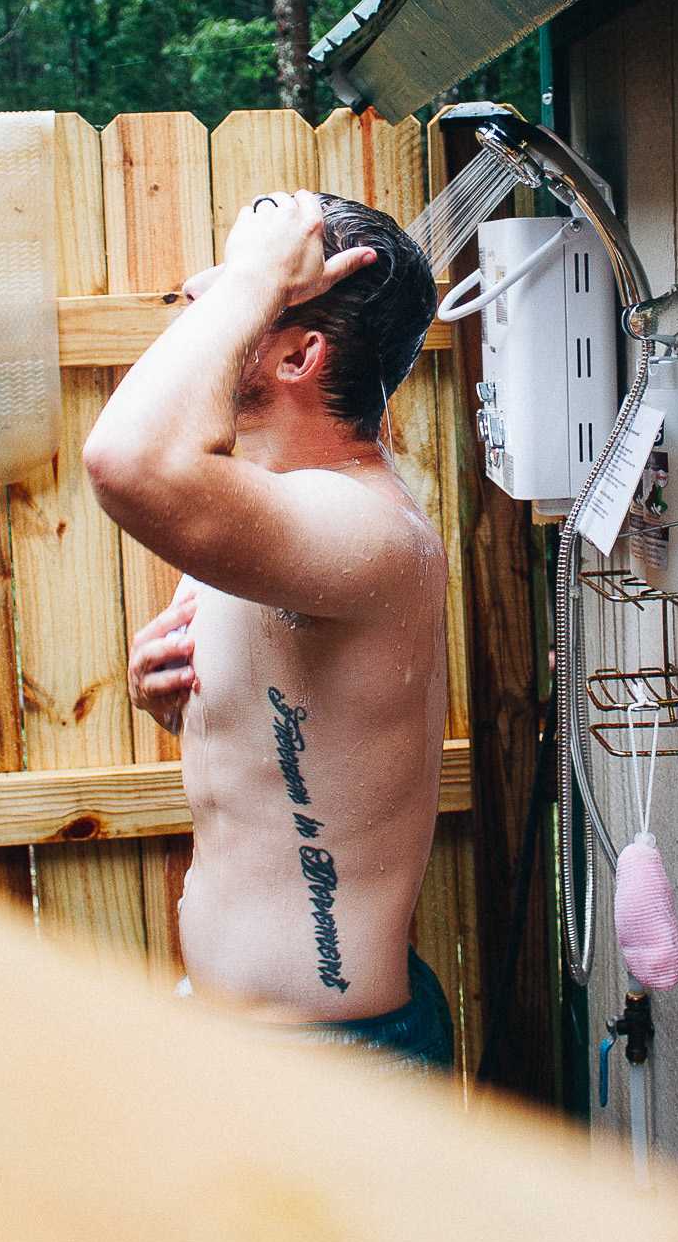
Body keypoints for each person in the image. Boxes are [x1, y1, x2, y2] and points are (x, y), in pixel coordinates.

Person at [83, 187, 453, 1074]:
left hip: (336, 1063)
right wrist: (169, 690)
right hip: (244, 1035)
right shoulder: (268, 510)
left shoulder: (364, 528)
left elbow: (125, 462)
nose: (202, 288)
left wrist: (253, 279)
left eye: (248, 280)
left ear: (297, 354)